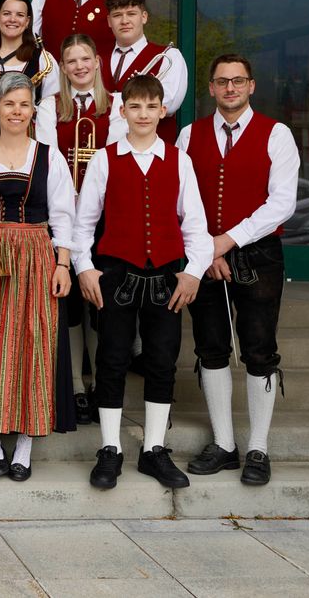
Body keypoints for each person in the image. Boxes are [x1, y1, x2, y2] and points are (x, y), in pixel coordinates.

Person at [75, 75, 212, 491]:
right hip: (116, 273)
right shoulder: (105, 159)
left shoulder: (178, 160)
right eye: (135, 107)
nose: (143, 114)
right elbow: (84, 222)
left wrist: (194, 270)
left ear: (162, 111)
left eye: (151, 107)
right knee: (112, 358)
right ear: (123, 111)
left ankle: (153, 449)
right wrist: (84, 267)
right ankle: (110, 448)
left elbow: (196, 224)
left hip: (166, 276)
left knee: (161, 360)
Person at [178, 54, 298, 487]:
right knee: (210, 347)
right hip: (203, 254)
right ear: (210, 88)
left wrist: (226, 241)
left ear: (251, 86)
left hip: (258, 254)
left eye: (238, 80)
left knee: (259, 350)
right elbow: (182, 198)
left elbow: (281, 203)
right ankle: (225, 445)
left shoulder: (277, 134)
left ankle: (258, 448)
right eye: (222, 81)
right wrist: (206, 251)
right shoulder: (189, 135)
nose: (230, 88)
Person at [0, 72, 74, 481]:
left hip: (35, 257)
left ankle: (24, 443)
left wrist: (62, 263)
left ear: (33, 111)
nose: (16, 112)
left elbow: (63, 216)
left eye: (24, 105)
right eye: (9, 104)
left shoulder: (49, 157)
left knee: (31, 345)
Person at [42, 34, 127, 426]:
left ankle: (99, 387)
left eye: (85, 59)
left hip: (103, 216)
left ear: (97, 62)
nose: (79, 66)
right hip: (64, 213)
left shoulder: (118, 105)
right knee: (72, 304)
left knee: (100, 301)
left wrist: (90, 198)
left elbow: (115, 159)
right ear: (63, 67)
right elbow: (49, 159)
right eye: (71, 60)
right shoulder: (48, 106)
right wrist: (69, 199)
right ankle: (76, 385)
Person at [102, 0, 186, 142]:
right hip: (102, 151)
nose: (124, 21)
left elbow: (169, 104)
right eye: (117, 15)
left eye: (131, 14)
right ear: (109, 21)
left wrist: (113, 100)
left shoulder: (169, 56)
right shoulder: (95, 59)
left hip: (152, 151)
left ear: (144, 17)